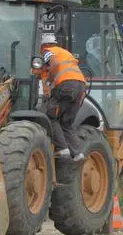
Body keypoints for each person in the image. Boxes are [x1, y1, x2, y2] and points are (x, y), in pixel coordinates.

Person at [34, 33, 87, 162]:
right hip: (80, 87)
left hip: (66, 86)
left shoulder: (48, 51)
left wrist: (50, 82)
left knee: (50, 116)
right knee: (66, 123)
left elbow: (55, 64)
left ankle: (62, 149)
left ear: (44, 45)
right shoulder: (65, 52)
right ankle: (78, 153)